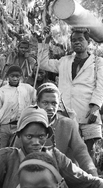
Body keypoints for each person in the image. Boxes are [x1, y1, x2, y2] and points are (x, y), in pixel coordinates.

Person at [38, 27, 103, 158]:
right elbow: (42, 63)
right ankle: (66, 177)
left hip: (87, 112)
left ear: (88, 42)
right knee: (64, 150)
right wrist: (45, 42)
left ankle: (88, 177)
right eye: (73, 40)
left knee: (87, 152)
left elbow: (100, 86)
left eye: (80, 39)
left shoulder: (98, 62)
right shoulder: (64, 61)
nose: (77, 42)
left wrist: (95, 108)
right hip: (64, 111)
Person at [36, 82, 98, 177]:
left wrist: (93, 175)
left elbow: (80, 151)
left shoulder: (68, 124)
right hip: (33, 175)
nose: (50, 108)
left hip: (61, 177)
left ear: (59, 104)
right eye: (45, 103)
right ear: (37, 103)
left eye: (54, 103)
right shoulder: (29, 124)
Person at [0, 65, 36, 148]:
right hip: (4, 127)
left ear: (21, 77)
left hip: (20, 127)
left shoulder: (28, 89)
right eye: (12, 76)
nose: (15, 79)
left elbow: (38, 99)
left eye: (17, 76)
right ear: (8, 76)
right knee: (1, 153)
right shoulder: (2, 91)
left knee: (16, 153)